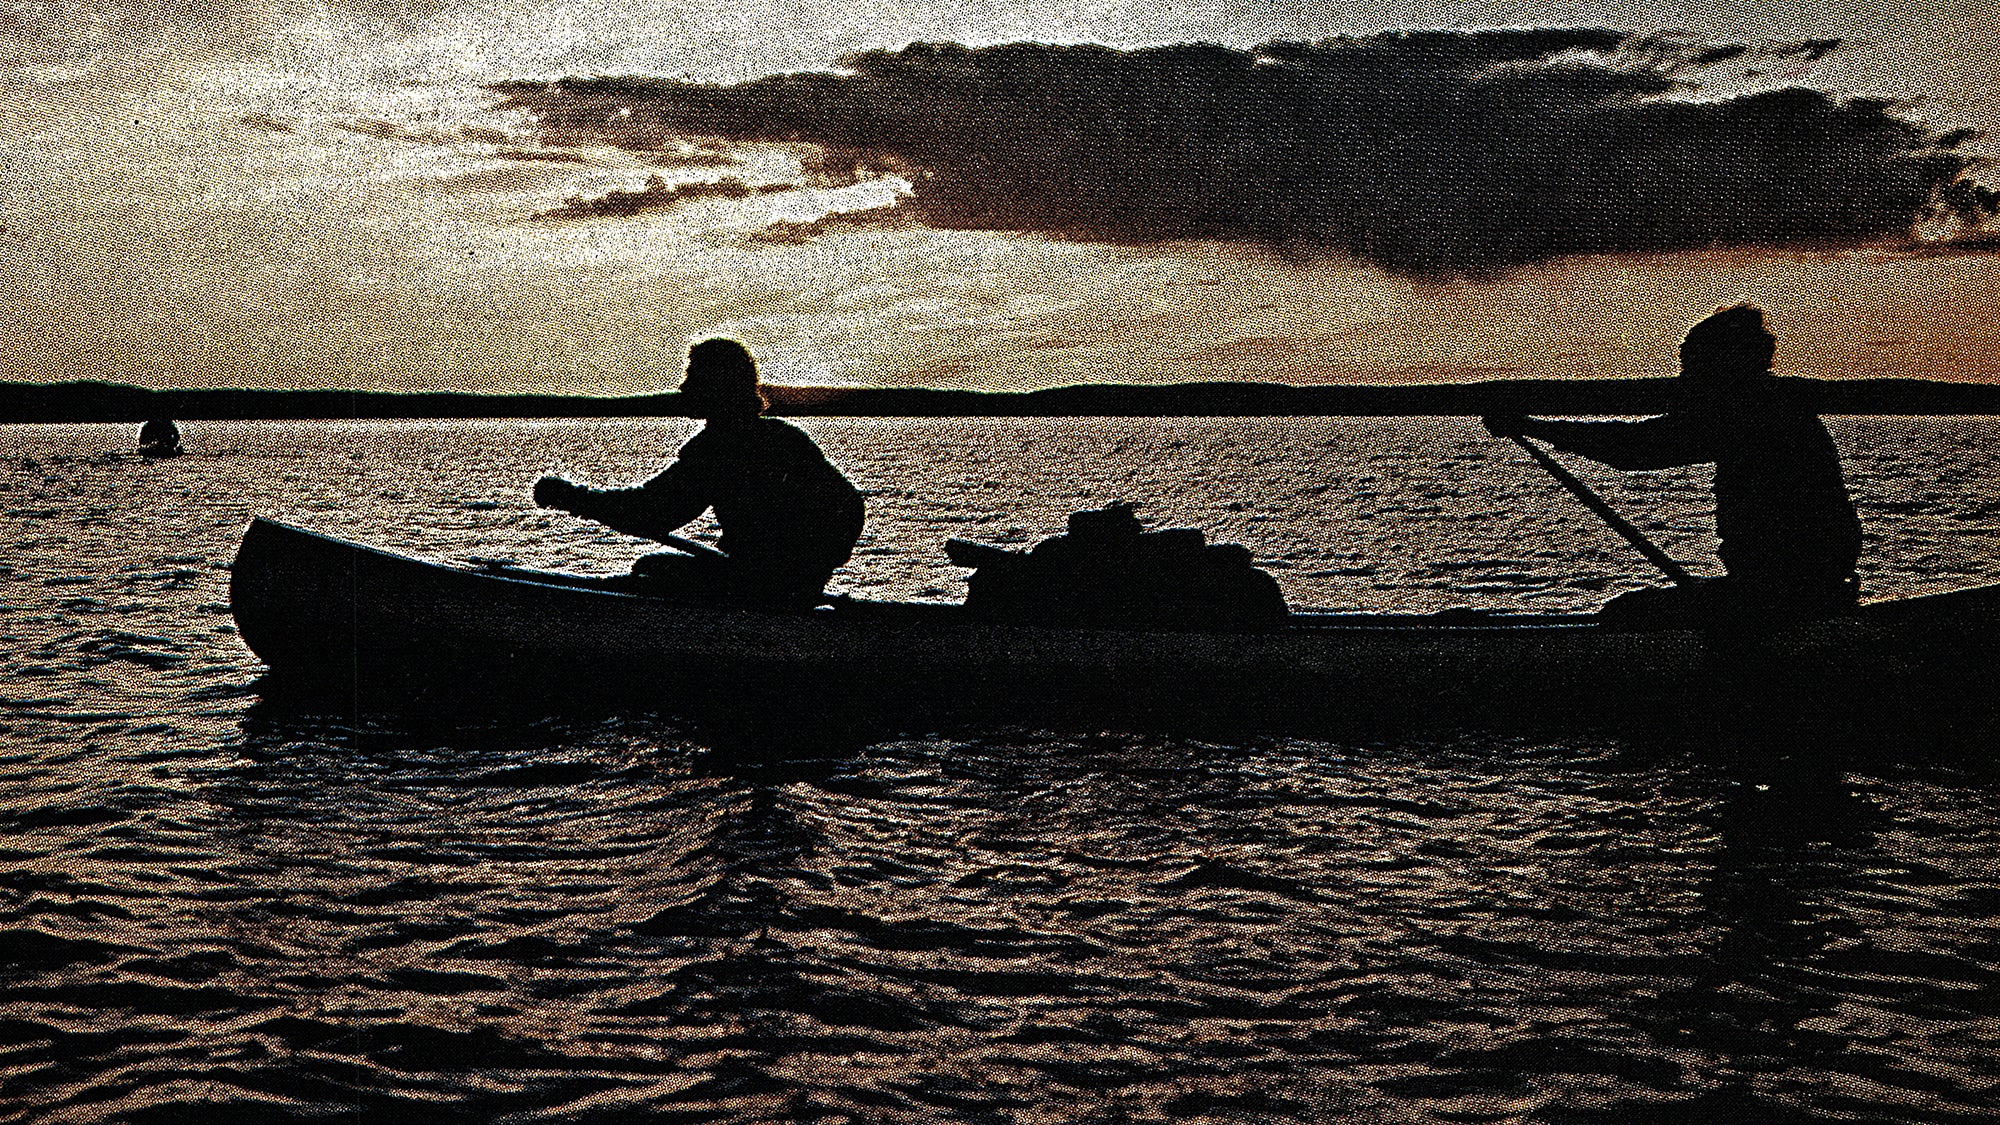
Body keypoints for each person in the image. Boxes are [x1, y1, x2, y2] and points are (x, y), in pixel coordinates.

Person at [1483, 304, 1862, 628]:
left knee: (1625, 615)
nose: (1685, 379)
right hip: (1790, 589)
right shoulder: (1775, 408)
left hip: (1784, 596)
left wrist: (1530, 426)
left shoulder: (1750, 412)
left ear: (1724, 366)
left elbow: (1634, 449)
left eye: (1692, 367)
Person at [533, 338, 864, 606]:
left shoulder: (719, 449)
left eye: (693, 377)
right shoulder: (783, 436)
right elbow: (850, 506)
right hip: (785, 584)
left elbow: (653, 511)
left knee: (652, 570)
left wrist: (569, 497)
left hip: (766, 589)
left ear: (717, 388)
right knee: (655, 568)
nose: (683, 387)